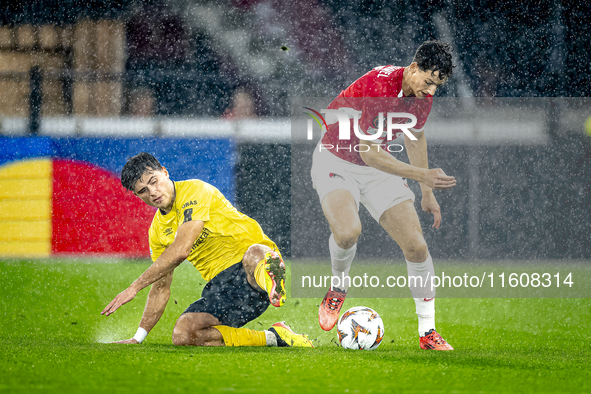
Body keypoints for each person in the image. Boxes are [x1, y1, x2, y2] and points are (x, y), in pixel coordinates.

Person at [312, 40, 456, 350]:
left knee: (417, 246)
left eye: (437, 86)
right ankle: (338, 286)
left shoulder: (420, 94)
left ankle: (427, 333)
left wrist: (426, 192)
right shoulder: (380, 87)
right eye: (429, 81)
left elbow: (414, 135)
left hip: (377, 165)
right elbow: (368, 152)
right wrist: (421, 175)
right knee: (349, 232)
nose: (431, 91)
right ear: (413, 68)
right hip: (336, 159)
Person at [102, 152, 313, 348]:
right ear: (138, 196)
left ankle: (271, 280)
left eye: (154, 181)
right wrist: (137, 338)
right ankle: (275, 337)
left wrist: (134, 287)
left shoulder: (194, 190)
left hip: (251, 267)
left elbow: (182, 250)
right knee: (183, 334)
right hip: (227, 290)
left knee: (255, 253)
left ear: (165, 172)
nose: (153, 192)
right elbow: (160, 288)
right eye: (143, 191)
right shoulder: (157, 232)